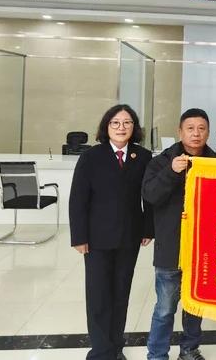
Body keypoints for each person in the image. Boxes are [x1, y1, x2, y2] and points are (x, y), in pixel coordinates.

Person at [69, 104, 154, 360]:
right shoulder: (91, 157)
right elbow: (78, 199)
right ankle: (101, 351)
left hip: (129, 236)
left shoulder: (143, 156)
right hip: (96, 239)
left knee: (120, 293)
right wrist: (79, 237)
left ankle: (115, 347)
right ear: (106, 127)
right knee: (98, 296)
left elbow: (149, 197)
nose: (121, 127)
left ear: (134, 128)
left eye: (127, 122)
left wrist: (148, 228)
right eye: (115, 122)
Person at [143, 108, 216, 360]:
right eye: (190, 128)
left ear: (208, 132)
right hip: (171, 247)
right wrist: (171, 172)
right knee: (165, 308)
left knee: (195, 306)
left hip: (203, 249)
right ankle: (157, 354)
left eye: (201, 129)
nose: (196, 134)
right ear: (180, 131)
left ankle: (189, 349)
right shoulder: (162, 161)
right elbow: (150, 195)